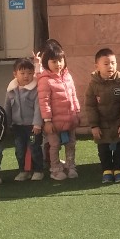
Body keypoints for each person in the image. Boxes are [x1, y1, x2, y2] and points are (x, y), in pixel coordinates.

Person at [85, 48, 120, 184]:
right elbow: (90, 106)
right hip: (101, 125)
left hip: (119, 123)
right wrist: (94, 125)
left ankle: (118, 170)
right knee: (103, 149)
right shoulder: (93, 85)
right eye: (106, 64)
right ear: (97, 66)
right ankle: (107, 170)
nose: (110, 66)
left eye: (113, 63)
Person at [38, 44, 82, 180]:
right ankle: (56, 169)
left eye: (60, 60)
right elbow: (44, 102)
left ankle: (71, 166)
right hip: (54, 122)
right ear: (46, 63)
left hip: (70, 118)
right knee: (55, 145)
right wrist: (47, 121)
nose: (58, 64)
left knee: (71, 144)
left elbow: (73, 95)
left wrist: (77, 112)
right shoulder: (45, 80)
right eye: (54, 61)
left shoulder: (68, 76)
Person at [5, 57, 43, 182]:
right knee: (19, 149)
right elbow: (7, 108)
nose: (26, 76)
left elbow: (38, 108)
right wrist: (6, 124)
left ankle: (38, 170)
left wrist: (37, 124)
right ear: (15, 74)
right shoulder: (11, 90)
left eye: (30, 73)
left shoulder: (36, 90)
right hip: (17, 127)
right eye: (22, 73)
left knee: (34, 147)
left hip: (32, 128)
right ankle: (23, 171)